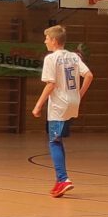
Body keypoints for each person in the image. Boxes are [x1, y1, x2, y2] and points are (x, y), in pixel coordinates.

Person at [31, 25, 92, 198]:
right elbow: (89, 75)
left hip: (59, 106)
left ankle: (63, 179)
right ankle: (60, 181)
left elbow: (50, 84)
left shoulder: (51, 58)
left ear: (54, 41)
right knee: (57, 140)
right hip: (73, 103)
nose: (45, 41)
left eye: (47, 38)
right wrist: (79, 95)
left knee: (54, 142)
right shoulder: (73, 56)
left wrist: (38, 105)